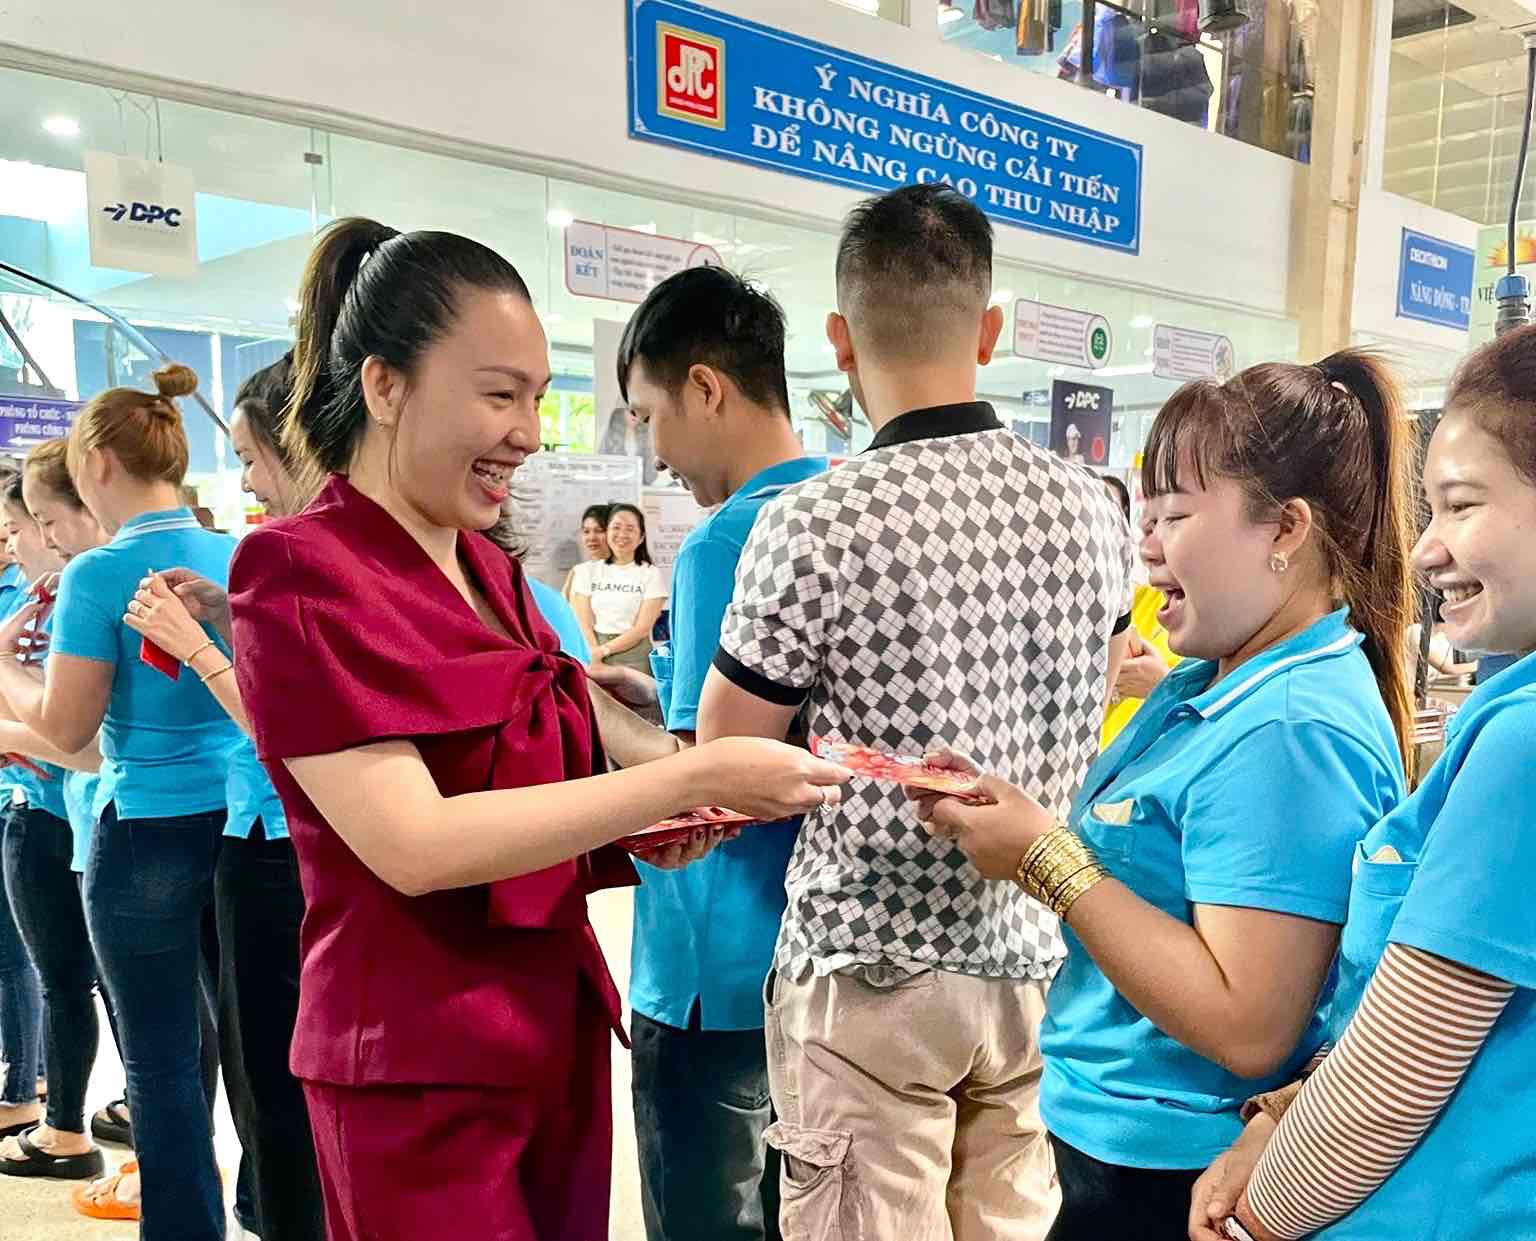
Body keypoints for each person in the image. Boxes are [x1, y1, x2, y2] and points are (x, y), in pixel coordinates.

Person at [224, 217, 849, 1241]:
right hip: (415, 1065)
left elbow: (552, 753)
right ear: (386, 386)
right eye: (498, 393)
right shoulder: (298, 570)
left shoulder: (491, 571)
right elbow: (415, 843)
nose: (527, 429)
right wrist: (678, 780)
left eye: (536, 397)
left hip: (547, 1032)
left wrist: (689, 796)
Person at [696, 184, 1135, 1240]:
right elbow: (1107, 672)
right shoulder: (1095, 505)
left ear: (841, 343)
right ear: (989, 330)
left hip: (869, 968)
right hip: (1033, 957)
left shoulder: (815, 517)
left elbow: (724, 751)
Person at [917, 352, 1415, 1241]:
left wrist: (1044, 858)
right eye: (1145, 513)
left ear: (1285, 531)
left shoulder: (1290, 727)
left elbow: (1250, 1024)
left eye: (1175, 515)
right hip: (1113, 1138)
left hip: (1175, 1170)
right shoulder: (1211, 680)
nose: (1145, 544)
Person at [1190, 325, 1536, 1241]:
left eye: (1462, 506)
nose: (1426, 551)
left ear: (1284, 527)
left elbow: (1401, 1066)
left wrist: (1254, 1215)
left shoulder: (1522, 743)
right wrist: (1277, 1118)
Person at [582, 265, 826, 1241]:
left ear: (706, 387)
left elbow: (705, 784)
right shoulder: (842, 509)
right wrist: (659, 693)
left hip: (709, 968)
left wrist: (587, 711)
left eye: (648, 416)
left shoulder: (729, 537)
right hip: (815, 963)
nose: (653, 452)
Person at [0, 363, 245, 1241]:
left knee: (160, 1061)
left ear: (98, 461)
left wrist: (5, 674)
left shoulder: (100, 575)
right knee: (246, 1054)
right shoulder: (237, 554)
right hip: (244, 827)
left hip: (142, 834)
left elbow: (69, 733)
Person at [120, 352, 328, 1241]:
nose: (244, 477)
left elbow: (299, 730)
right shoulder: (268, 557)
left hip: (278, 847)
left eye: (250, 456)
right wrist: (224, 614)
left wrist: (193, 642)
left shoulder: (292, 553)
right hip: (271, 840)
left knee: (272, 1092)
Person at [0, 468, 110, 1181]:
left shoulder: (81, 591)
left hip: (68, 807)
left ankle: (60, 1122)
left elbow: (73, 734)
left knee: (63, 979)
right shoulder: (52, 597)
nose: (27, 537)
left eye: (33, 521)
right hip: (66, 806)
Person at [1100, 473, 1175, 746]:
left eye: (1173, 522)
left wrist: (1162, 688)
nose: (1149, 548)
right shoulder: (1130, 602)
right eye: (1149, 528)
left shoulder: (1228, 628)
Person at [571, 501, 667, 676]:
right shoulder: (588, 571)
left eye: (630, 528)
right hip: (593, 652)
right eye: (616, 527)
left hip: (635, 657)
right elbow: (583, 621)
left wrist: (604, 651)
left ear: (641, 537)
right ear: (607, 532)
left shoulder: (650, 574)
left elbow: (642, 629)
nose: (622, 534)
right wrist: (593, 652)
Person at [560, 504, 611, 605]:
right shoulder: (577, 572)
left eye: (599, 531)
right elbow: (562, 611)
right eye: (586, 531)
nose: (591, 538)